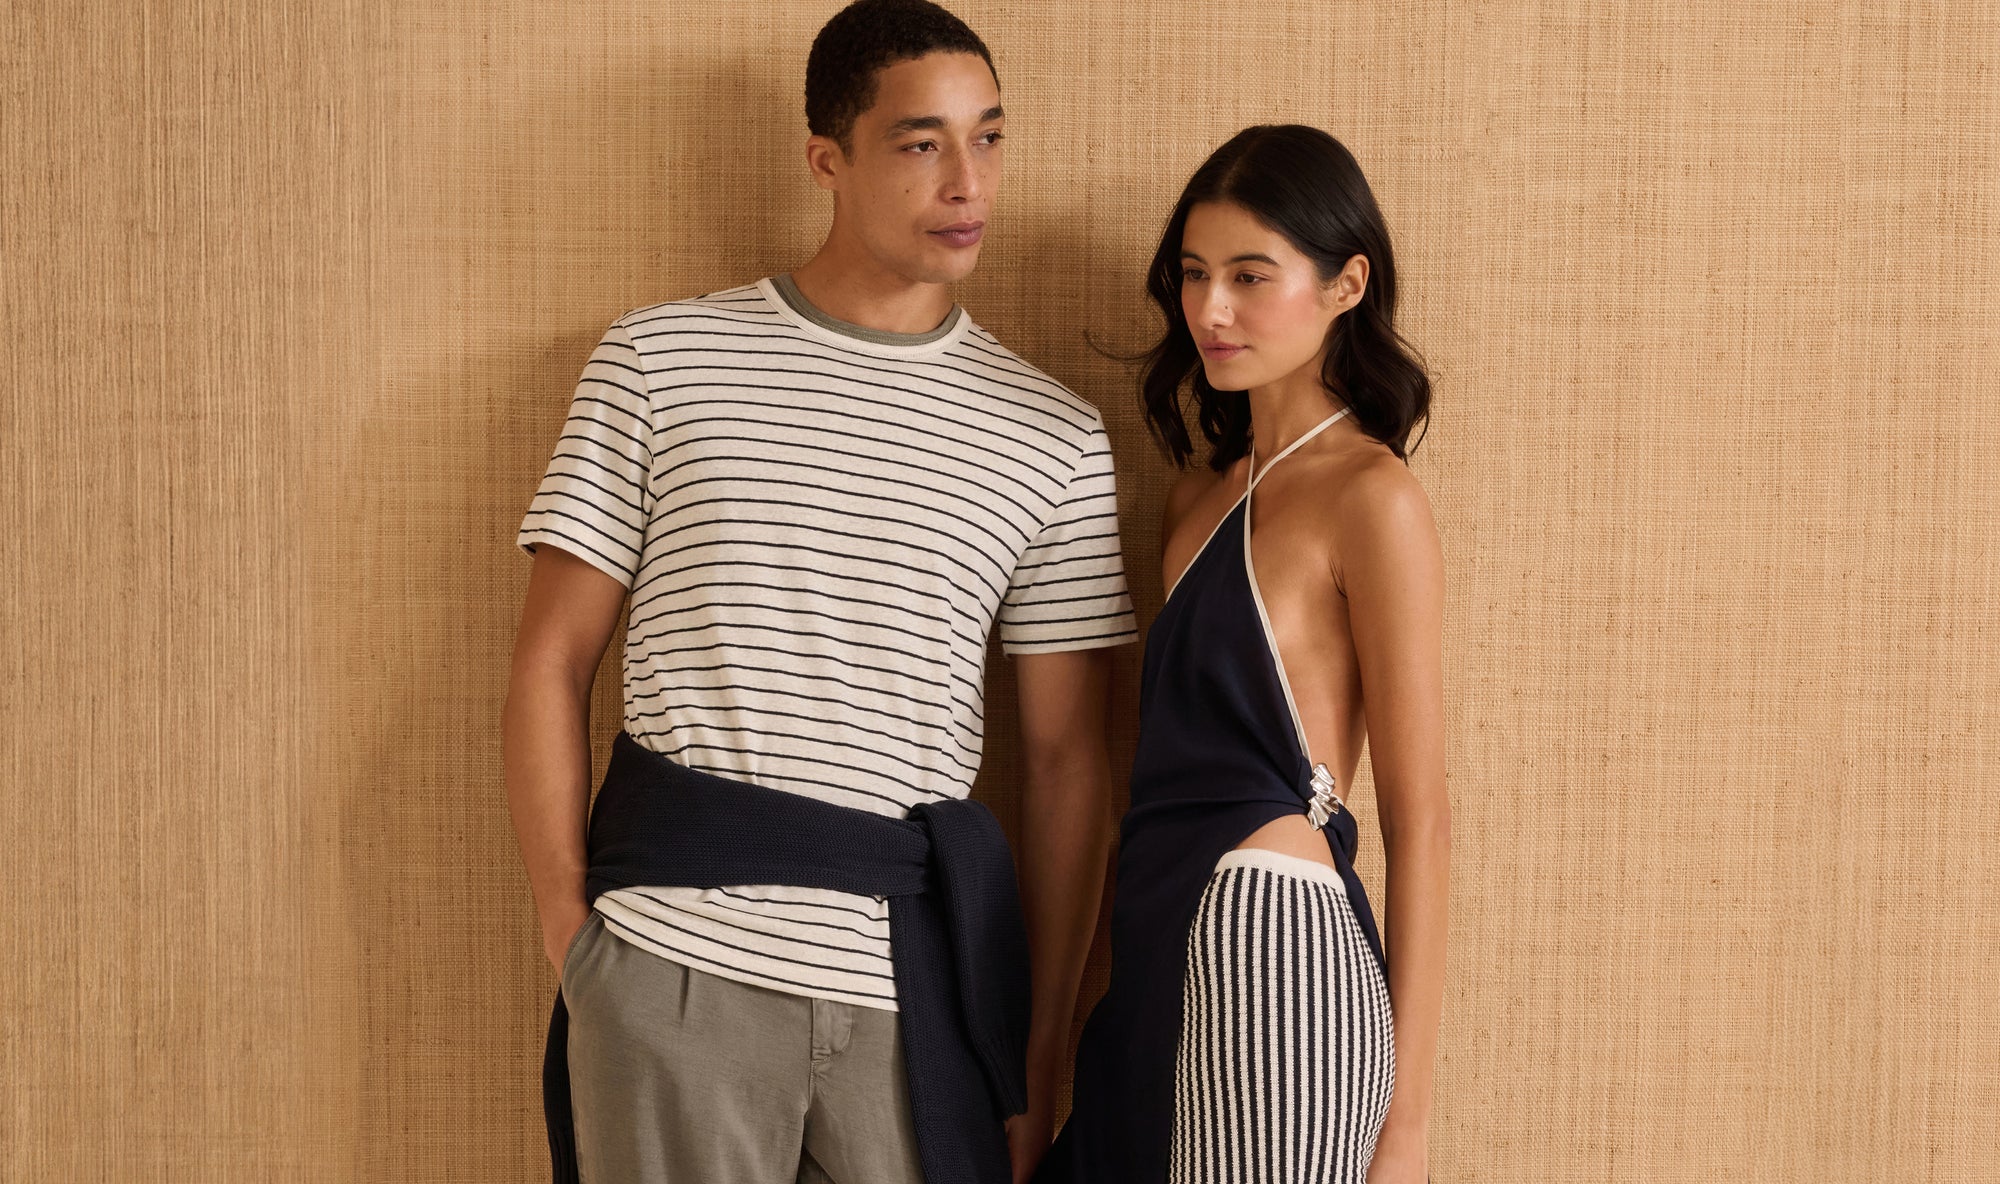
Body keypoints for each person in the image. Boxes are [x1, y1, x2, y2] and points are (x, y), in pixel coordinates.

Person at [502, 3, 1136, 1181]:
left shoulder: (1053, 436)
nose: (966, 181)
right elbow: (549, 663)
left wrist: (1034, 1050)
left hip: (922, 998)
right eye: (919, 143)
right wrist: (578, 944)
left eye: (987, 139)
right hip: (675, 962)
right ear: (826, 159)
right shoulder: (660, 359)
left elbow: (1065, 764)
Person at [1037, 125, 1449, 1184]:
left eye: (1249, 276)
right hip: (1152, 941)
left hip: (1276, 940)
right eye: (1192, 274)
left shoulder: (1370, 494)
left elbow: (1419, 814)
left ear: (1345, 283)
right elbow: (1139, 777)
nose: (1209, 309)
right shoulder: (1190, 498)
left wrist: (1403, 1120)